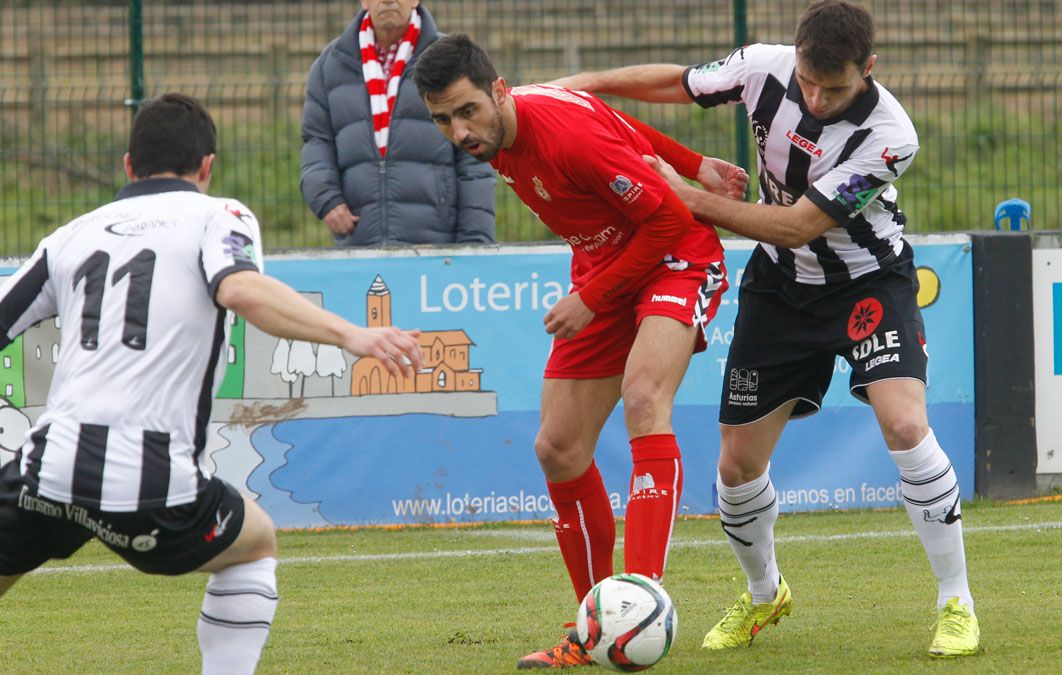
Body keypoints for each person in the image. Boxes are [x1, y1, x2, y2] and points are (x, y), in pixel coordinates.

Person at [553, 0, 980, 659]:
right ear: (797, 55)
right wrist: (583, 87)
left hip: (867, 282)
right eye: (807, 80)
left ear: (868, 69)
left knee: (903, 422)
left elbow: (798, 225)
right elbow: (679, 82)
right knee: (737, 460)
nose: (813, 96)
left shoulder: (890, 134)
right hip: (780, 289)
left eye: (831, 88)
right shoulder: (761, 66)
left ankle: (956, 601)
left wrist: (683, 195)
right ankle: (764, 593)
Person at [0, 93, 424, 674]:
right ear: (207, 167)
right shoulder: (218, 214)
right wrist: (354, 336)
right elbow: (241, 289)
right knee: (255, 545)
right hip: (147, 481)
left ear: (128, 165)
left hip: (45, 467)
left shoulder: (69, 236)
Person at [414, 34, 747, 669]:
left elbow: (672, 222)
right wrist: (694, 158)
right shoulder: (510, 130)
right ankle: (595, 627)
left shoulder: (561, 135)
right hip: (608, 264)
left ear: (499, 90)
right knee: (557, 449)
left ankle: (642, 599)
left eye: (467, 111)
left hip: (675, 257)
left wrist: (593, 296)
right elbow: (617, 125)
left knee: (644, 399)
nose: (459, 132)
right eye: (442, 120)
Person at [301, 0, 496, 246]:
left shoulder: (450, 60)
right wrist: (326, 197)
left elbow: (475, 160)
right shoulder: (329, 65)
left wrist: (474, 244)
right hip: (359, 244)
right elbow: (317, 141)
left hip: (437, 248)